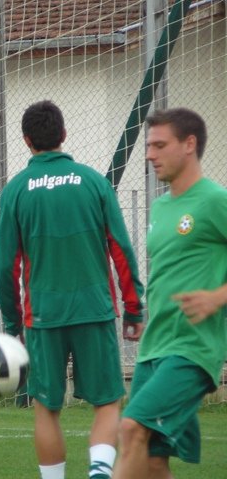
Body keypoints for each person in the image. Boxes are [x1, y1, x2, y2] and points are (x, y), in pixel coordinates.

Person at [0, 100, 144, 479]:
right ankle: (98, 473)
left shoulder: (16, 190)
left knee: (46, 407)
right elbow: (121, 250)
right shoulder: (94, 181)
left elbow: (4, 268)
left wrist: (13, 326)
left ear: (27, 140)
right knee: (108, 403)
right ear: (63, 134)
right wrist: (133, 307)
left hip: (43, 316)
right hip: (94, 309)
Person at [114, 108, 227, 478]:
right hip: (154, 347)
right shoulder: (161, 207)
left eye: (160, 145)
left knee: (131, 429)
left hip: (192, 348)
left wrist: (216, 297)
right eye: (149, 145)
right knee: (152, 459)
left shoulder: (214, 200)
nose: (149, 154)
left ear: (189, 144)